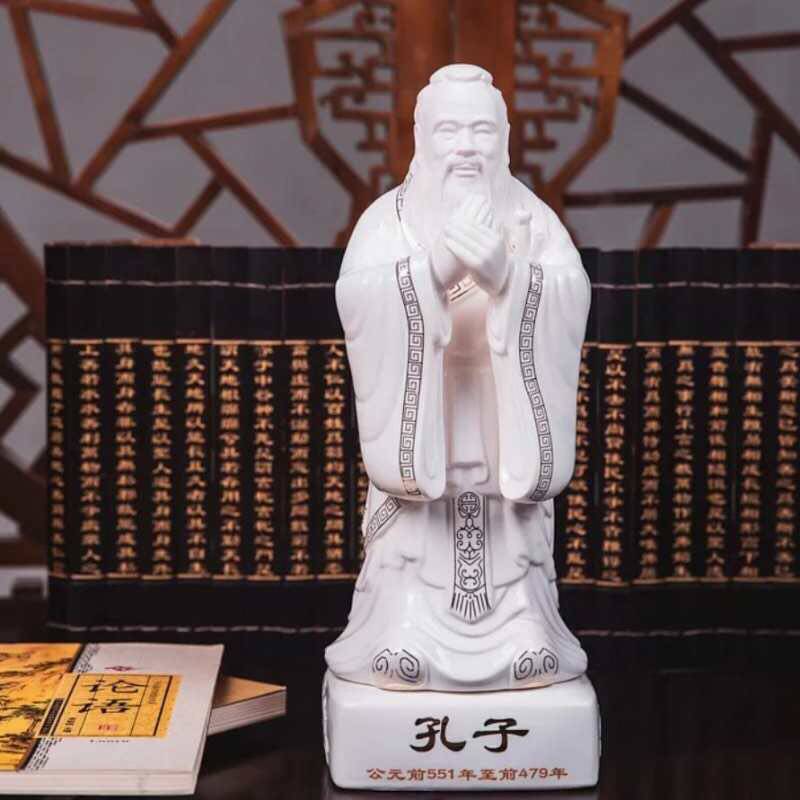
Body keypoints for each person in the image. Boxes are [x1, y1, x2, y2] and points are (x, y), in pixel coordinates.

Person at [326, 64, 590, 691]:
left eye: (481, 130)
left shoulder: (533, 221)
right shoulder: (386, 222)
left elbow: (569, 294)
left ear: (505, 139)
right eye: (449, 131)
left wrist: (510, 278)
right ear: (421, 138)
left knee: (518, 582)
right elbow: (359, 300)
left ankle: (525, 628)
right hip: (428, 431)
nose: (466, 147)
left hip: (502, 433)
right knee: (411, 574)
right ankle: (402, 629)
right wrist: (434, 270)